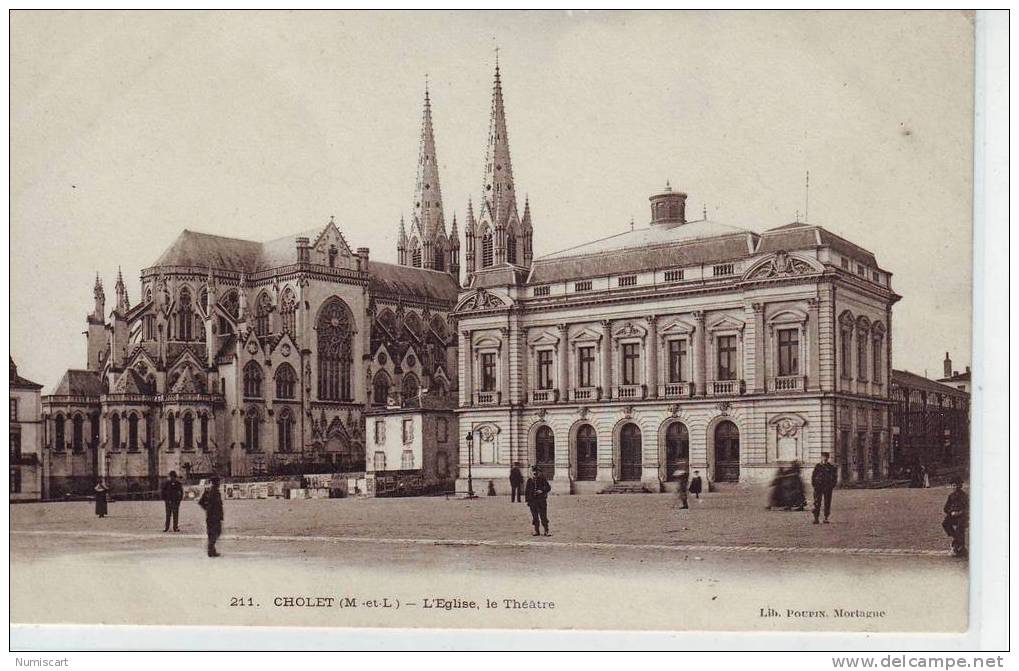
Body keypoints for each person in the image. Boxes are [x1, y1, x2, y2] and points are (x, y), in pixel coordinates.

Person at [198, 475, 224, 557]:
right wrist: (208, 509)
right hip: (214, 516)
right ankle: (211, 550)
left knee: (213, 533)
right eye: (218, 482)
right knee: (216, 532)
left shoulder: (209, 491)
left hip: (211, 515)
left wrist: (206, 509)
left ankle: (211, 549)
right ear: (215, 483)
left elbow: (201, 502)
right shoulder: (213, 492)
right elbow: (202, 502)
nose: (219, 483)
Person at [942, 476, 968, 557]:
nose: (954, 487)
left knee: (960, 526)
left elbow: (967, 508)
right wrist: (951, 512)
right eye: (953, 485)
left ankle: (958, 545)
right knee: (945, 523)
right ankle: (957, 540)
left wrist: (959, 513)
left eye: (956, 485)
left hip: (962, 516)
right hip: (953, 516)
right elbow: (946, 508)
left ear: (960, 486)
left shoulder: (964, 496)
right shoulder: (951, 496)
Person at [811, 452, 838, 524]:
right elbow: (813, 476)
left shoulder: (831, 467)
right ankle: (816, 518)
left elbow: (834, 477)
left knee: (827, 503)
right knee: (817, 502)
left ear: (828, 458)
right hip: (818, 487)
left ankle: (826, 517)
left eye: (826, 457)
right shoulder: (818, 466)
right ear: (821, 457)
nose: (824, 458)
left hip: (827, 487)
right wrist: (814, 485)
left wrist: (832, 485)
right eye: (823, 457)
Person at [524, 466, 552, 537]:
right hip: (532, 502)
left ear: (538, 472)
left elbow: (548, 488)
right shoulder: (530, 481)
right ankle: (536, 530)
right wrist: (527, 501)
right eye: (533, 472)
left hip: (541, 501)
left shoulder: (542, 480)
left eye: (536, 472)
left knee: (543, 516)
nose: (535, 473)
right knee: (535, 517)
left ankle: (546, 530)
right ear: (532, 472)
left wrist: (542, 490)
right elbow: (527, 492)